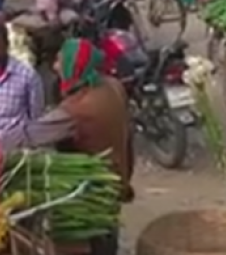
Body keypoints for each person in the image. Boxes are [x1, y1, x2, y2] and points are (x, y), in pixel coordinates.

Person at [9, 38, 133, 255]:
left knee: (89, 242)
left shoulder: (77, 110)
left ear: (74, 68)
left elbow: (30, 135)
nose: (56, 68)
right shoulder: (112, 85)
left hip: (89, 192)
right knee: (107, 234)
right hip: (116, 179)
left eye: (60, 62)